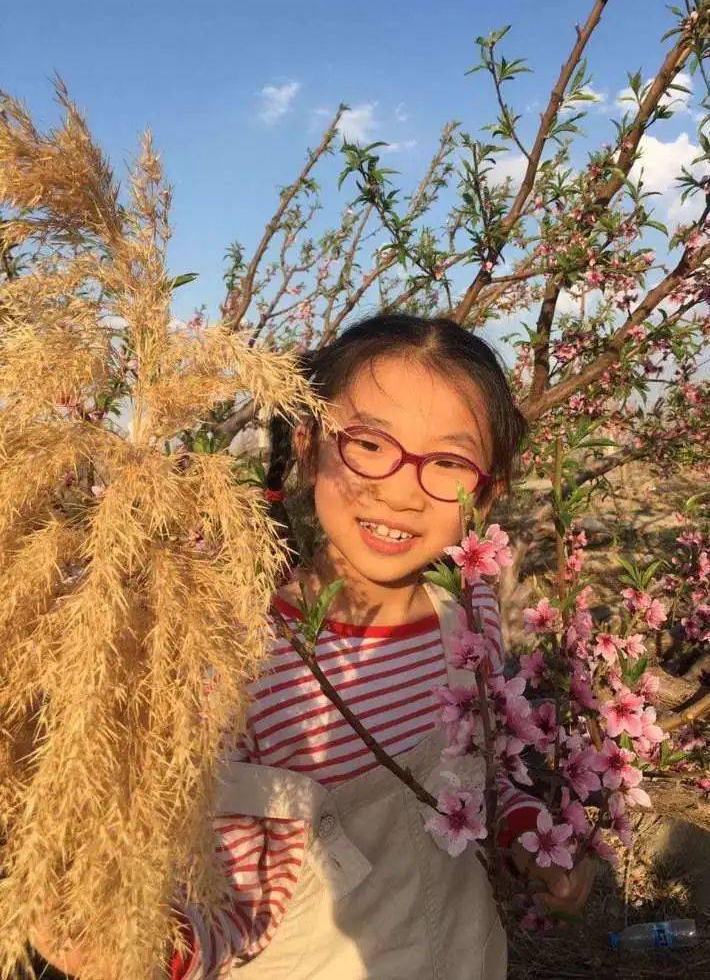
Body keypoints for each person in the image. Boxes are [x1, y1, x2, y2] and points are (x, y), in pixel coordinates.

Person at [31, 313, 596, 979]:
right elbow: (226, 893)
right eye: (369, 444)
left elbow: (487, 774)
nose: (400, 488)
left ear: (487, 492)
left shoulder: (470, 619)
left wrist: (529, 837)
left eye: (447, 462)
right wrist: (149, 946)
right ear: (308, 446)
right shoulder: (241, 656)